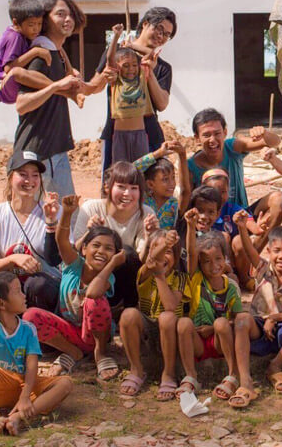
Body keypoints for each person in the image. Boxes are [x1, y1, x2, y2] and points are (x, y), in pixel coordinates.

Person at [0, 256, 72, 437]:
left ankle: (18, 417)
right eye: (18, 292)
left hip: (22, 386)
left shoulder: (28, 329)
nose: (24, 295)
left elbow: (32, 364)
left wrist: (25, 396)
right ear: (1, 303)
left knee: (65, 383)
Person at [23, 195, 123, 381]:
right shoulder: (73, 265)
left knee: (94, 301)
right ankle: (72, 352)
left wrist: (112, 264)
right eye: (96, 245)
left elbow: (93, 293)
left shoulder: (108, 276)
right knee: (30, 316)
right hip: (69, 333)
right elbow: (61, 241)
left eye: (109, 249)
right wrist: (67, 213)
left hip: (96, 336)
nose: (101, 251)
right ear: (84, 249)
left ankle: (100, 354)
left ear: (115, 256)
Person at [14, 0, 104, 198]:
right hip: (37, 155)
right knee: (44, 214)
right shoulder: (41, 56)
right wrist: (55, 86)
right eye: (60, 14)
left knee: (65, 213)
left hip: (56, 151)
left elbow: (84, 89)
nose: (68, 19)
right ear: (45, 19)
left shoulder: (58, 55)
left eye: (70, 14)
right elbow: (21, 104)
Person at [231, 226, 282, 408]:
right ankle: (245, 380)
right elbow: (248, 250)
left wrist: (274, 318)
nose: (281, 256)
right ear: (269, 251)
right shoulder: (263, 269)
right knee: (242, 319)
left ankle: (275, 365)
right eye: (277, 251)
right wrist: (242, 227)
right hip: (259, 327)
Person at [0, 152, 61, 312]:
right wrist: (12, 259)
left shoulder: (55, 211)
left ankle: (39, 326)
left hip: (43, 286)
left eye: (35, 175)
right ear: (10, 177)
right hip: (9, 285)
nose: (29, 181)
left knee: (37, 284)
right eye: (23, 174)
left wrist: (50, 222)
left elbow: (54, 260)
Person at [99, 7, 177, 178]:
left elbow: (162, 104)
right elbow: (96, 85)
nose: (161, 36)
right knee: (115, 185)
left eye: (167, 34)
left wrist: (150, 73)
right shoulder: (116, 54)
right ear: (145, 24)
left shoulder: (162, 67)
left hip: (150, 137)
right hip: (115, 134)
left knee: (148, 187)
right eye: (159, 29)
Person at [72, 162, 158, 311]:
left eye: (134, 188)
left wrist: (149, 237)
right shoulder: (91, 208)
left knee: (128, 253)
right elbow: (75, 252)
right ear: (108, 187)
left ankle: (127, 309)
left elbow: (142, 260)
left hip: (125, 279)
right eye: (121, 187)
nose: (127, 194)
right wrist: (90, 232)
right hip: (92, 277)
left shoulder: (146, 213)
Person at [118, 229, 186, 400]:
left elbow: (170, 306)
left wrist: (160, 275)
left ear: (176, 257)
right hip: (147, 327)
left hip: (170, 331)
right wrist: (165, 245)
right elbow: (152, 261)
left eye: (168, 251)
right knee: (128, 314)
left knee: (167, 317)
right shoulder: (144, 272)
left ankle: (168, 373)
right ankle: (136, 370)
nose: (162, 256)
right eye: (155, 248)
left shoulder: (180, 278)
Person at [176, 230, 242, 401]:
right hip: (197, 342)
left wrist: (212, 328)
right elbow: (191, 253)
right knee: (183, 323)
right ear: (199, 263)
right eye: (206, 261)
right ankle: (191, 376)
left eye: (218, 259)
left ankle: (233, 374)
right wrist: (190, 225)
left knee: (221, 323)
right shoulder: (196, 279)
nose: (214, 265)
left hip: (219, 342)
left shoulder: (231, 287)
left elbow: (237, 319)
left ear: (225, 259)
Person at [0, 0, 84, 106]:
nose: (36, 29)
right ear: (15, 23)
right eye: (31, 25)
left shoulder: (28, 34)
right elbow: (9, 69)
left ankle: (66, 92)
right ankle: (64, 92)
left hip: (11, 85)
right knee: (17, 72)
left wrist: (70, 70)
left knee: (35, 75)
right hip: (1, 87)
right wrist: (35, 52)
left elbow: (59, 48)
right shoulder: (14, 37)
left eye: (39, 24)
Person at [186, 108, 282, 213]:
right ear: (197, 138)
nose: (212, 140)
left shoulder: (232, 148)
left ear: (225, 132)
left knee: (278, 199)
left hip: (242, 215)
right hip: (210, 221)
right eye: (206, 135)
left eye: (217, 133)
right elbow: (186, 202)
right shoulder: (191, 167)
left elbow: (275, 142)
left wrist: (264, 134)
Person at [105, 23, 170, 163]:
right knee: (121, 170)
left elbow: (150, 54)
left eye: (134, 65)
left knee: (141, 169)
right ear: (117, 67)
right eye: (125, 66)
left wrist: (131, 45)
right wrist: (116, 36)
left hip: (140, 135)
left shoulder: (141, 75)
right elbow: (109, 58)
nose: (131, 69)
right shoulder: (116, 80)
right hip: (119, 136)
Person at [133, 141, 191, 230]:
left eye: (173, 177)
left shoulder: (174, 205)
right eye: (165, 179)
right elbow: (130, 171)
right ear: (150, 184)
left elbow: (185, 192)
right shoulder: (143, 200)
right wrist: (158, 153)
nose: (172, 183)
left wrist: (182, 155)